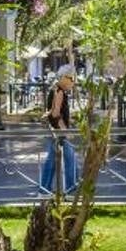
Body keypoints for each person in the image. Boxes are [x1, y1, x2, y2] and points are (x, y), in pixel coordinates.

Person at [39, 64, 79, 194]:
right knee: (69, 159)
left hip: (55, 131)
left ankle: (45, 189)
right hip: (59, 133)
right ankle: (71, 189)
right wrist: (65, 132)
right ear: (64, 77)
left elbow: (52, 110)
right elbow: (56, 113)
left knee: (53, 160)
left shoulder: (55, 88)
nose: (73, 81)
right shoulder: (59, 91)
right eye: (71, 78)